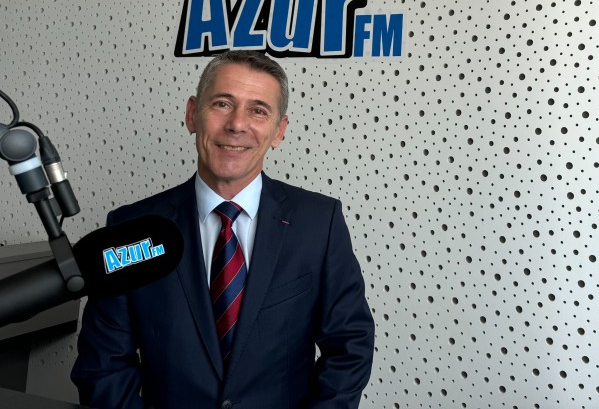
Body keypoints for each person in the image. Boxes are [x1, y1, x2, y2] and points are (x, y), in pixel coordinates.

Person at [71, 51, 375, 408]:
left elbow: (350, 346)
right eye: (222, 104)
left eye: (258, 110)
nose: (237, 124)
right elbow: (102, 366)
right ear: (192, 114)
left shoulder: (319, 223)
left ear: (279, 131)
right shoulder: (130, 230)